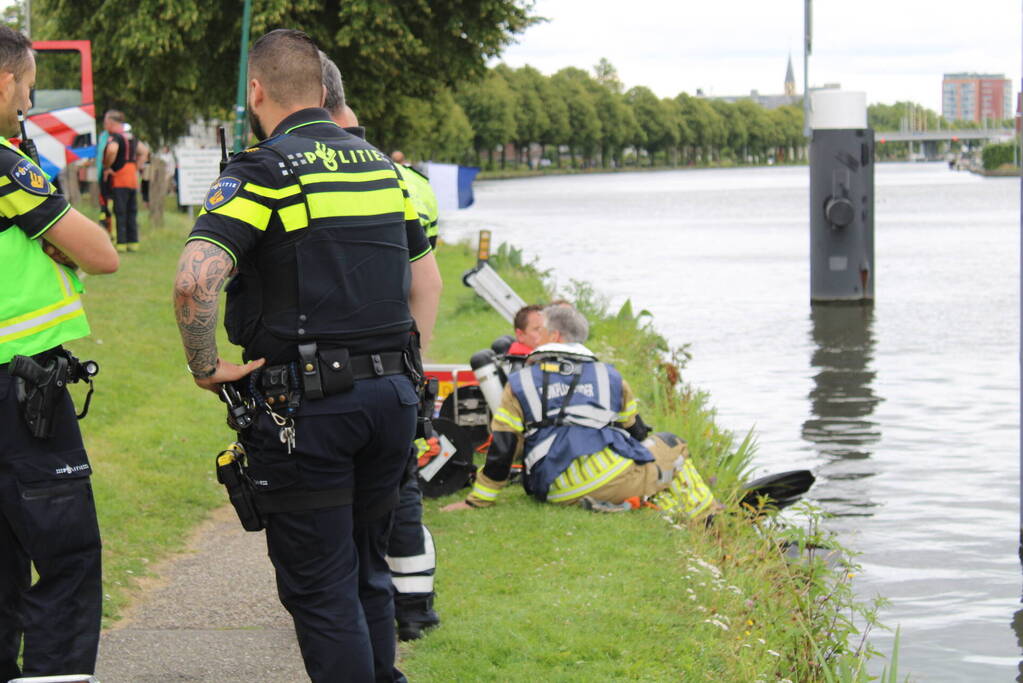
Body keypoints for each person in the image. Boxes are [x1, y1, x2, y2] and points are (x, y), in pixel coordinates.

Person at [172, 30, 441, 683]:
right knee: (367, 570)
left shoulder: (263, 169)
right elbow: (423, 280)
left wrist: (206, 366)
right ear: (323, 90)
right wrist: (403, 368)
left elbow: (194, 277)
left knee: (321, 589)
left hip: (309, 408)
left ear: (255, 91)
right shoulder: (384, 168)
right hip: (391, 402)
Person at [0, 24, 119, 680]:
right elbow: (100, 254)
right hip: (20, 396)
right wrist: (58, 237)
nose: (27, 104)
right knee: (68, 560)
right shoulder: (5, 163)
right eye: (24, 88)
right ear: (3, 81)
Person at [322, 52, 441, 642]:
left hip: (341, 365)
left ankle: (357, 612)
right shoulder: (410, 180)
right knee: (401, 489)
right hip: (398, 361)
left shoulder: (314, 172)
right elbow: (428, 275)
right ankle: (413, 607)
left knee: (346, 505)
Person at [442, 305, 717, 517]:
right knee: (673, 446)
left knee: (653, 469)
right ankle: (707, 516)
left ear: (555, 336)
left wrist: (478, 500)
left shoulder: (520, 381)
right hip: (607, 478)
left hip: (550, 488)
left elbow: (503, 447)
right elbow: (635, 430)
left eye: (542, 330)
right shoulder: (609, 376)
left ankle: (661, 506)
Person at [102, 111, 149, 252]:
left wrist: (107, 166)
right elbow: (145, 151)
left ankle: (120, 243)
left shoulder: (115, 137)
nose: (105, 126)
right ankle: (133, 243)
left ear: (111, 123)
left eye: (105, 122)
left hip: (119, 179)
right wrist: (137, 166)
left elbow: (112, 150)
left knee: (119, 211)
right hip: (132, 179)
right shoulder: (132, 137)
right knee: (132, 212)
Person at [389, 149, 439, 248]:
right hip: (426, 228)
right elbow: (432, 205)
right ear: (404, 161)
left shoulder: (388, 174)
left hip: (402, 227)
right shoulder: (418, 178)